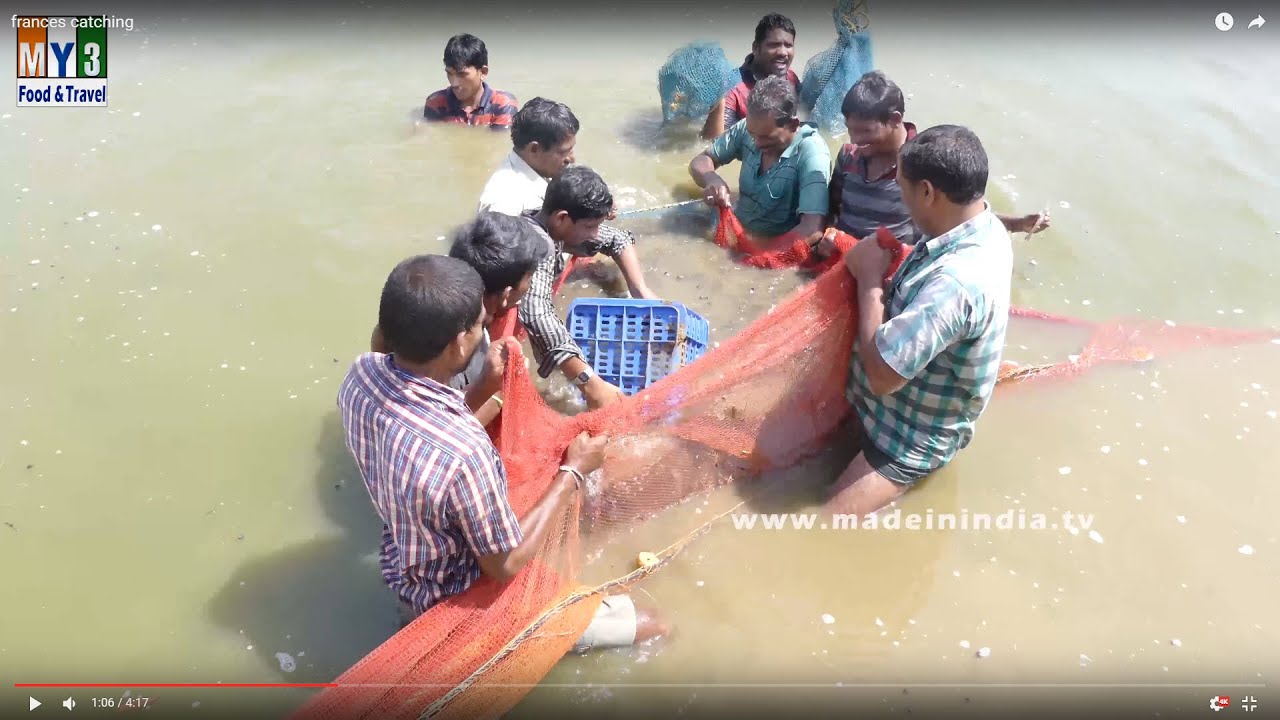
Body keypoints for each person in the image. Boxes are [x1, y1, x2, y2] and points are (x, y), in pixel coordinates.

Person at [339, 254, 666, 650]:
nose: (483, 330)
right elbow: (505, 564)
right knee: (653, 625)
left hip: (404, 564)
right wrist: (574, 472)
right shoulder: (465, 450)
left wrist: (481, 389)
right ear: (459, 342)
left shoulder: (360, 376)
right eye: (479, 324)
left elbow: (427, 436)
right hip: (459, 597)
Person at [828, 125, 1012, 518]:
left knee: (824, 527)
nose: (900, 199)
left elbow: (882, 377)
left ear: (928, 192)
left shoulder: (956, 284)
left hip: (908, 437)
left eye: (903, 188)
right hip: (884, 408)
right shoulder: (982, 226)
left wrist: (870, 280)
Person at [821, 71, 1048, 249]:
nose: (855, 140)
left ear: (895, 119)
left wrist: (1018, 224)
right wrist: (829, 232)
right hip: (842, 257)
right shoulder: (848, 155)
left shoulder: (925, 163)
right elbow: (831, 207)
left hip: (890, 268)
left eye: (865, 131)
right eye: (850, 130)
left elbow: (965, 219)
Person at [368, 211, 549, 426]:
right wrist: (500, 392)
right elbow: (448, 425)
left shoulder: (419, 294)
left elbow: (381, 336)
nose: (529, 286)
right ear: (506, 295)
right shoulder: (464, 348)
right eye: (529, 279)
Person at [478, 97, 656, 301]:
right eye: (564, 152)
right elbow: (501, 276)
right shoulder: (504, 202)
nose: (572, 158)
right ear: (534, 149)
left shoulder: (542, 169)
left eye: (572, 149)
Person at [519, 166, 642, 409]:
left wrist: (640, 292)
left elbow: (618, 239)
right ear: (562, 218)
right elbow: (535, 312)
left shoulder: (549, 222)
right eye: (590, 226)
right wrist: (588, 381)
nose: (596, 233)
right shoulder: (536, 245)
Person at [689, 75, 831, 242]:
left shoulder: (812, 152)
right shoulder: (748, 128)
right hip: (739, 226)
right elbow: (700, 161)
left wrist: (756, 255)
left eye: (766, 137)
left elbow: (812, 230)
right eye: (753, 135)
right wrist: (711, 179)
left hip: (777, 242)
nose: (757, 143)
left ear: (792, 125)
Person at [701, 13, 802, 140]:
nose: (782, 52)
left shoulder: (791, 77)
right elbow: (715, 145)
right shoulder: (731, 89)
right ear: (756, 48)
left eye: (788, 45)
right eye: (773, 45)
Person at [422, 33, 519, 129]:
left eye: (462, 74)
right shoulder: (436, 103)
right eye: (450, 73)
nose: (454, 83)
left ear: (483, 72)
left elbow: (499, 141)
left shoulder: (503, 104)